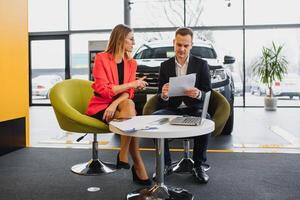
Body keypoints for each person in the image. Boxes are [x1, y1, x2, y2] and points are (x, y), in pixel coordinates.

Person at [86, 24, 151, 186]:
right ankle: (138, 166)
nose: (133, 43)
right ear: (120, 39)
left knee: (129, 105)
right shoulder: (101, 58)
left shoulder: (131, 63)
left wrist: (114, 104)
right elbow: (104, 89)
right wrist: (132, 84)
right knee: (131, 119)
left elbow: (129, 93)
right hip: (100, 106)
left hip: (118, 106)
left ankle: (123, 154)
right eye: (131, 39)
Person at [153, 27, 212, 183]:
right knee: (154, 120)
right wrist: (164, 94)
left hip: (194, 109)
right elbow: (159, 96)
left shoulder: (201, 65)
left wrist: (198, 93)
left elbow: (208, 92)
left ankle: (198, 165)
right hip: (172, 110)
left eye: (186, 45)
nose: (182, 49)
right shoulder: (165, 66)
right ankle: (165, 164)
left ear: (191, 45)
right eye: (179, 45)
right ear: (174, 43)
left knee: (205, 118)